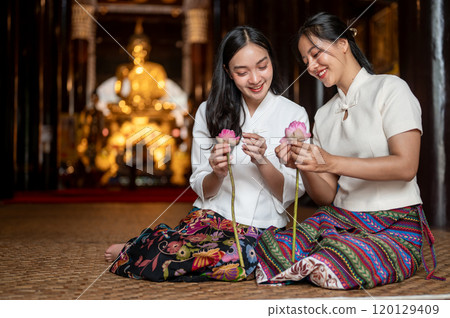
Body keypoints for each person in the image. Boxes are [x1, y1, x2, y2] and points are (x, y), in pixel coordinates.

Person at [105, 26, 309, 282]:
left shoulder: (294, 115)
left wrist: (262, 161)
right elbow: (203, 188)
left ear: (271, 60)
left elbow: (293, 192)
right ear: (228, 72)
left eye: (262, 66)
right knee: (171, 252)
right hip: (210, 218)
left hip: (261, 226)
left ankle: (137, 248)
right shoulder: (209, 111)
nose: (255, 79)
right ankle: (141, 247)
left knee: (227, 261)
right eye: (242, 72)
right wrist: (217, 172)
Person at [255, 12, 444, 289]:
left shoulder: (390, 89)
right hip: (343, 219)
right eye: (306, 60)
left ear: (343, 43)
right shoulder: (323, 114)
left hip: (394, 222)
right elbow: (326, 195)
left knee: (341, 258)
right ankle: (326, 255)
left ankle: (332, 256)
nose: (312, 66)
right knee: (270, 246)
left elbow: (405, 167)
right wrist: (304, 163)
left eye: (317, 54)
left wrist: (330, 162)